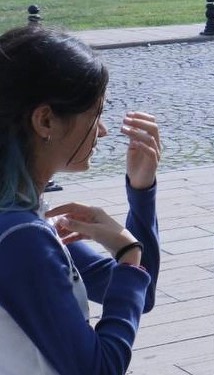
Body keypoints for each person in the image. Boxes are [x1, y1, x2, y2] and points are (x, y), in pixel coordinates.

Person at [0, 24, 162, 375]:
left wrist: (141, 190)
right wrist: (129, 255)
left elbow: (136, 293)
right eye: (95, 113)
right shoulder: (23, 237)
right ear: (45, 120)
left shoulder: (24, 220)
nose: (102, 130)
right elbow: (100, 368)